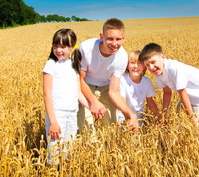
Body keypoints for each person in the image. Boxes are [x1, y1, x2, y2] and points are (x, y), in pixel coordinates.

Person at [78, 18, 138, 131]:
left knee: (112, 129)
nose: (114, 44)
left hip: (106, 87)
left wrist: (131, 115)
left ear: (123, 39)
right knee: (87, 129)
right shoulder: (86, 48)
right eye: (110, 39)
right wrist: (94, 101)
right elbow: (79, 79)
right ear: (101, 37)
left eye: (118, 39)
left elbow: (114, 91)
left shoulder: (122, 57)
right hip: (85, 86)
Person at [42, 28, 90, 165]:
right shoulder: (51, 64)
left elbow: (78, 93)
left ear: (72, 47)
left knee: (68, 150)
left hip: (72, 113)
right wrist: (53, 122)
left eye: (63, 47)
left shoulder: (73, 65)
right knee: (54, 151)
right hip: (57, 114)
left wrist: (91, 107)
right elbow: (47, 95)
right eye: (56, 46)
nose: (59, 50)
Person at [139, 43, 199, 124]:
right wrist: (163, 114)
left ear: (163, 57)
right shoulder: (158, 72)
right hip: (189, 96)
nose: (151, 67)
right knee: (177, 124)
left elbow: (183, 93)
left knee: (197, 129)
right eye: (147, 65)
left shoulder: (174, 68)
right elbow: (167, 92)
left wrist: (192, 119)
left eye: (153, 62)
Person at [118, 51, 161, 125]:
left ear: (144, 66)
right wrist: (129, 119)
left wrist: (159, 117)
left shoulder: (147, 81)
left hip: (139, 118)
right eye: (132, 63)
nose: (136, 66)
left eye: (139, 63)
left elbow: (150, 102)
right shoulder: (122, 80)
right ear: (127, 66)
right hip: (123, 118)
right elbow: (123, 102)